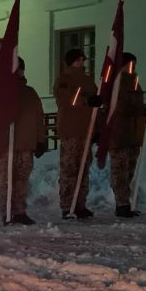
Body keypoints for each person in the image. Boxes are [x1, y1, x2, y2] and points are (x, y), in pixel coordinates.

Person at [0, 57, 48, 225]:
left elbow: (38, 117)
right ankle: (7, 212)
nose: (19, 72)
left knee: (22, 180)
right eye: (16, 68)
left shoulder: (30, 93)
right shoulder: (1, 91)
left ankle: (20, 211)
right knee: (6, 180)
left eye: (21, 68)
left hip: (26, 144)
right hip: (6, 145)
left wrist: (41, 140)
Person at [53, 49, 101, 220]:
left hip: (86, 130)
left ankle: (80, 204)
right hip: (71, 129)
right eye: (77, 60)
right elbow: (66, 99)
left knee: (83, 168)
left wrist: (98, 128)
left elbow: (96, 105)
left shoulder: (88, 80)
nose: (81, 62)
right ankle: (68, 205)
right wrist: (86, 101)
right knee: (69, 169)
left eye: (82, 59)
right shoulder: (64, 80)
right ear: (70, 62)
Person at [107, 53, 146, 219]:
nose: (132, 67)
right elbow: (119, 107)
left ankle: (125, 202)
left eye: (134, 63)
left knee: (129, 171)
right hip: (119, 133)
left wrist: (144, 112)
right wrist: (142, 111)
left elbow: (135, 106)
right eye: (129, 64)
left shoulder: (135, 83)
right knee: (120, 171)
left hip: (133, 133)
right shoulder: (116, 84)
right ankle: (122, 204)